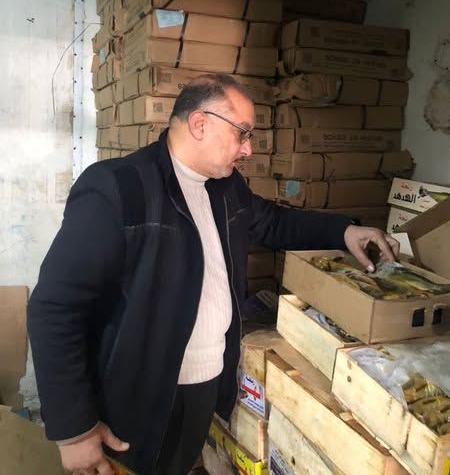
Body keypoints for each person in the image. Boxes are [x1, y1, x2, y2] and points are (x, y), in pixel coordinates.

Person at [27, 73, 399, 475]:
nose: (248, 148)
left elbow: (273, 223)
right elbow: (55, 307)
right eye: (242, 133)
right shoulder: (118, 187)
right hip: (134, 402)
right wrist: (74, 429)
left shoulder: (225, 188)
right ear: (200, 124)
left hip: (204, 388)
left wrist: (343, 231)